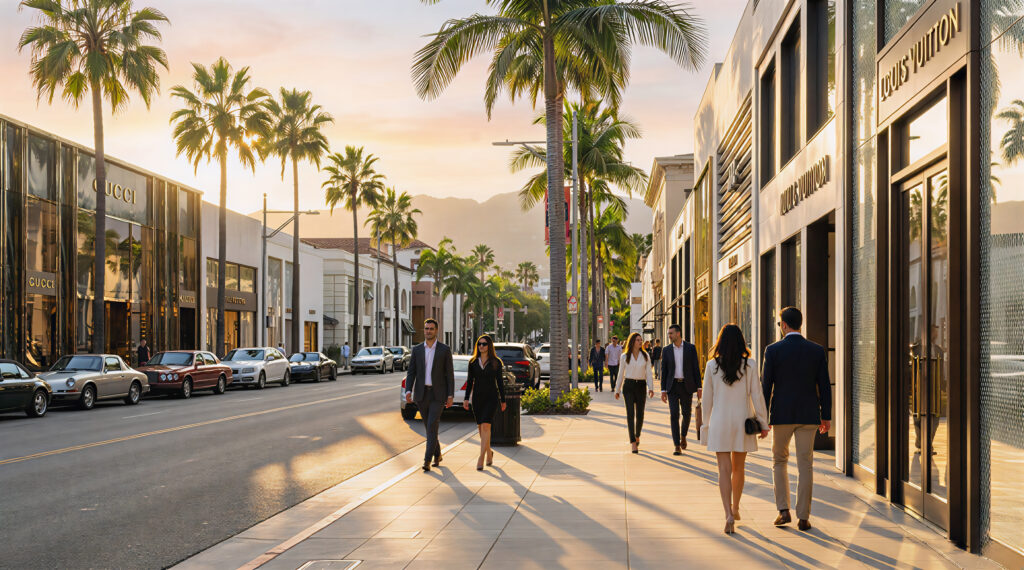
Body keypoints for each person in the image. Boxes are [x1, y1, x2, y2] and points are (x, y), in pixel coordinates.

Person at [762, 307, 833, 531]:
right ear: (799, 324)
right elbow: (825, 386)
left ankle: (783, 511)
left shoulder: (772, 350)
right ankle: (803, 517)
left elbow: (766, 387)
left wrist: (764, 417)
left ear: (784, 325)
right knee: (806, 465)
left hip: (781, 415)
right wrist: (826, 416)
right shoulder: (816, 350)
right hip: (808, 414)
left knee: (779, 461)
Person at [700, 324, 769, 534]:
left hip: (720, 422)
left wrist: (705, 425)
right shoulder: (750, 365)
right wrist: (763, 422)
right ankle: (736, 507)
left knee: (723, 469)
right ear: (741, 341)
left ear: (720, 341)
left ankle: (727, 513)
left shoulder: (712, 366)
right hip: (743, 421)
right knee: (739, 468)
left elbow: (706, 401)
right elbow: (757, 395)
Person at [405, 318, 455, 472]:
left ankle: (427, 460)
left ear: (436, 330)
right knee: (430, 428)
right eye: (426, 328)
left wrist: (450, 395)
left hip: (438, 395)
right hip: (421, 394)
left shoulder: (444, 350)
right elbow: (411, 371)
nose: (428, 331)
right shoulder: (417, 349)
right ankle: (438, 454)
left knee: (432, 425)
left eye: (431, 329)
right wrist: (408, 390)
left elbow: (449, 374)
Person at [463, 334, 507, 470]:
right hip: (477, 398)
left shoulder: (496, 362)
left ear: (489, 346)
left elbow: (500, 382)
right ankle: (489, 452)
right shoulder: (473, 362)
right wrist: (466, 398)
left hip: (492, 397)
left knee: (486, 426)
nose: (481, 346)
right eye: (479, 344)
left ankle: (480, 458)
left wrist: (503, 400)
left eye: (484, 344)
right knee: (481, 429)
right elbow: (470, 381)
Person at [659, 325, 702, 454]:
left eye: (671, 333)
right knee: (674, 415)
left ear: (678, 333)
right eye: (668, 333)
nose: (669, 336)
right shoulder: (666, 350)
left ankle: (683, 435)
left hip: (686, 385)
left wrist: (699, 387)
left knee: (687, 414)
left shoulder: (690, 348)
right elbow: (664, 371)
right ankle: (676, 445)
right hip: (672, 386)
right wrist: (663, 390)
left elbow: (696, 368)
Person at [614, 332, 654, 454]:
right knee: (630, 414)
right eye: (638, 340)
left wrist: (651, 388)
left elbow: (648, 374)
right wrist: (617, 390)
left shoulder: (646, 355)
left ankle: (637, 435)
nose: (640, 342)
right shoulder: (625, 356)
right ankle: (633, 442)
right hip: (629, 386)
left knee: (640, 414)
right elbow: (620, 374)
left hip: (641, 386)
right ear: (632, 342)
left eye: (641, 340)